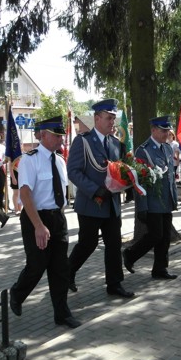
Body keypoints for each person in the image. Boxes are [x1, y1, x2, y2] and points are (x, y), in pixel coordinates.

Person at [9, 116, 81, 329]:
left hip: (56, 218)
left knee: (60, 268)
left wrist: (59, 218)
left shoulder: (59, 160)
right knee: (37, 265)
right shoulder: (29, 159)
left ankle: (62, 313)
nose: (61, 139)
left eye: (62, 135)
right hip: (35, 218)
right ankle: (17, 293)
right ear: (45, 135)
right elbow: (25, 193)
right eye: (57, 135)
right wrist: (39, 226)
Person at [66, 98, 134, 298]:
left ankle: (114, 284)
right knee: (87, 244)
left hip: (111, 203)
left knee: (113, 244)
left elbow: (118, 170)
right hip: (91, 203)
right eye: (108, 118)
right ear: (97, 118)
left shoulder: (114, 143)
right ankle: (67, 273)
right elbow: (73, 172)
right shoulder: (83, 141)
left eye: (114, 118)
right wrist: (95, 190)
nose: (112, 122)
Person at [122, 116, 179, 280]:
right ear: (153, 130)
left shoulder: (168, 148)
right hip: (152, 201)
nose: (166, 133)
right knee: (156, 235)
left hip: (166, 200)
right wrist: (142, 207)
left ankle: (160, 269)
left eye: (168, 130)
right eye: (163, 130)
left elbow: (169, 176)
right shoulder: (143, 150)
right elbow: (140, 181)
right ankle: (130, 254)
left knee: (165, 236)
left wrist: (174, 198)